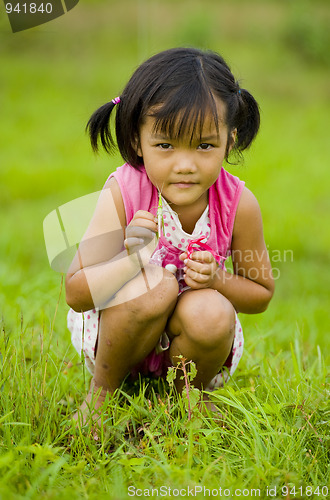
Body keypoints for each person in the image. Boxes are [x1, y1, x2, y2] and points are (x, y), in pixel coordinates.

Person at [65, 47, 274, 423]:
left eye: (204, 145)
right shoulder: (124, 191)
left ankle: (186, 397)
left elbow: (260, 294)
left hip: (194, 340)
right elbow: (76, 293)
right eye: (165, 145)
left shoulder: (238, 204)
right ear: (136, 142)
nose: (185, 164)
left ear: (230, 140)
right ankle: (102, 395)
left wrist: (217, 279)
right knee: (156, 284)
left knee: (211, 309)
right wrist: (129, 261)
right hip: (119, 336)